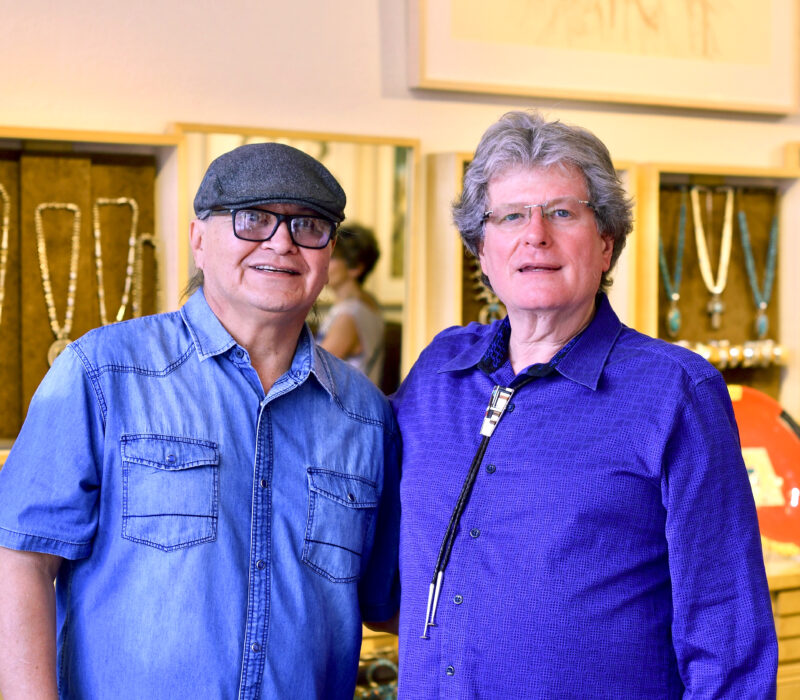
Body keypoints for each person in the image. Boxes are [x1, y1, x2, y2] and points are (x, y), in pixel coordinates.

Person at [392, 111, 776, 698]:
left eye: (562, 212)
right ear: (482, 250)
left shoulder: (676, 392)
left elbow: (727, 635)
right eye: (511, 215)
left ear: (606, 243)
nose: (535, 235)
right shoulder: (438, 374)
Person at [0, 142, 400, 699]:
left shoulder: (366, 416)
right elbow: (19, 562)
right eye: (252, 219)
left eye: (308, 225)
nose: (281, 242)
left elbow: (386, 603)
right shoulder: (102, 372)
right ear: (199, 239)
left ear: (328, 253)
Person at [317, 222, 385, 385]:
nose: (324, 261)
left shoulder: (348, 316)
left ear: (355, 267)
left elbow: (314, 373)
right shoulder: (367, 304)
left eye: (333, 257)